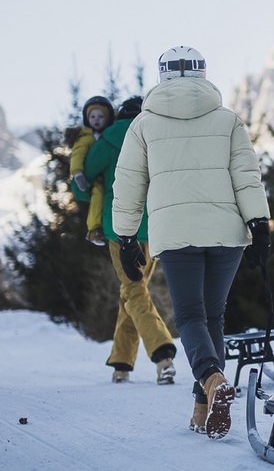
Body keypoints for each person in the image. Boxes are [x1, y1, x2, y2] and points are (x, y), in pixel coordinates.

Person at [112, 45, 271, 440]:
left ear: (162, 75)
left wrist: (127, 237)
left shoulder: (143, 124)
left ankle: (212, 380)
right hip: (227, 233)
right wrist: (260, 223)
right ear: (202, 73)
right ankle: (203, 408)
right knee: (213, 314)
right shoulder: (228, 120)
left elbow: (129, 184)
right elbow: (247, 176)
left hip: (177, 234)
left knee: (189, 316)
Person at [84, 95, 178, 384]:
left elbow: (84, 180)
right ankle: (122, 364)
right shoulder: (155, 135)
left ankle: (162, 355)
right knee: (133, 290)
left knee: (134, 291)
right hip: (153, 227)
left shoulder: (108, 139)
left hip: (119, 229)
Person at [70, 96, 115, 247]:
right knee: (98, 195)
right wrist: (78, 174)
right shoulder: (85, 138)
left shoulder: (109, 136)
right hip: (95, 180)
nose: (96, 120)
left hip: (109, 176)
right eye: (93, 116)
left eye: (101, 116)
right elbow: (77, 155)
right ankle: (94, 229)